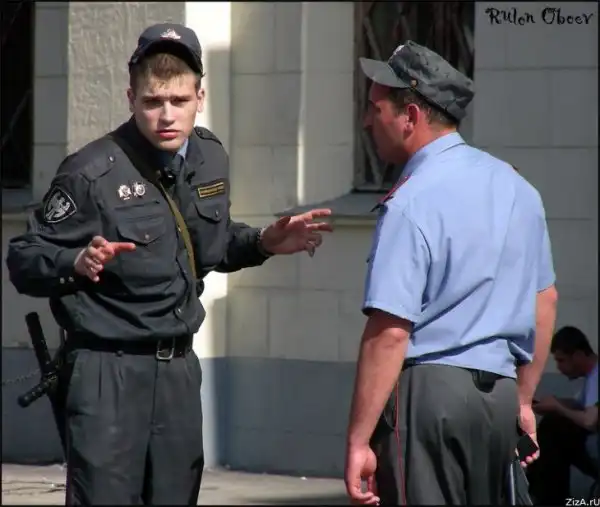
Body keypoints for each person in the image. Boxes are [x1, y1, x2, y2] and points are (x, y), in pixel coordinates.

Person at [6, 23, 332, 506]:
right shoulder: (90, 172)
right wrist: (76, 260)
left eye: (179, 101)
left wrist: (265, 241)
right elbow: (23, 258)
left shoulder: (209, 158)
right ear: (131, 98)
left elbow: (209, 246)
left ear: (200, 96)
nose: (166, 116)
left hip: (178, 370)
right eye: (152, 102)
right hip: (108, 372)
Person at [343, 40, 559, 505]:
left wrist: (359, 441)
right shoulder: (519, 189)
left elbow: (390, 332)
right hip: (499, 397)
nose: (366, 122)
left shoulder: (411, 200)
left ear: (410, 116)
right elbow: (545, 301)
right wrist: (523, 400)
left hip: (429, 401)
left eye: (375, 109)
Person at [527, 326, 598, 504]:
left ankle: (546, 498)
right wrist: (551, 403)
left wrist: (557, 407)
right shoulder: (592, 378)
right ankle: (541, 493)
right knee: (553, 424)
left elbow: (590, 421)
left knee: (554, 429)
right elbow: (580, 405)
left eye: (561, 360)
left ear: (578, 355)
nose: (559, 368)